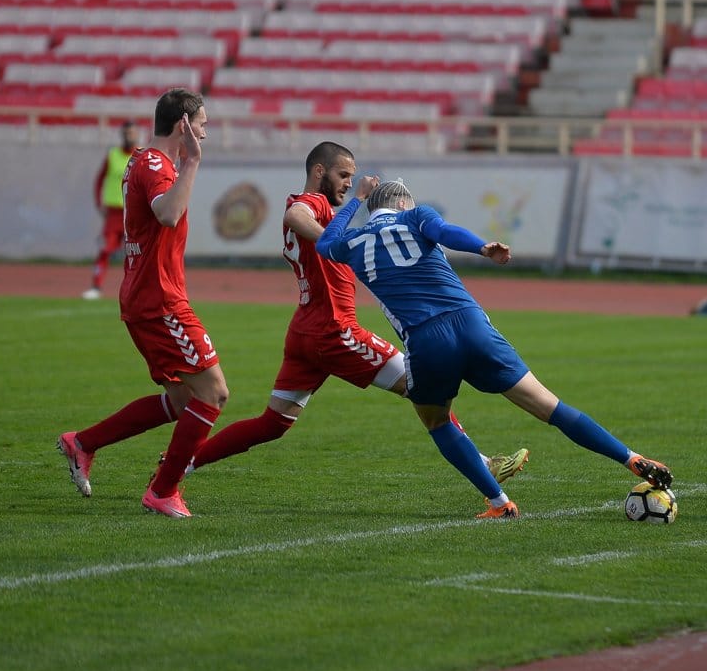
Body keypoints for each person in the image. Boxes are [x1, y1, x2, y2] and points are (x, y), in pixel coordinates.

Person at [315, 176, 673, 519]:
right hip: (471, 325)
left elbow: (324, 243)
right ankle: (630, 458)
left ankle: (500, 503)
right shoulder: (417, 215)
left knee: (438, 422)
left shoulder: (355, 240)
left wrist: (356, 201)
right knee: (550, 405)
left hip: (426, 340)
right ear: (403, 202)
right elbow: (444, 232)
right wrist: (481, 247)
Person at [188, 142, 528, 486]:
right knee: (424, 386)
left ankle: (182, 463)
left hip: (306, 331)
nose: (350, 182)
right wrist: (342, 242)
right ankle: (485, 465)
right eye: (343, 174)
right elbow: (295, 214)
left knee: (273, 423)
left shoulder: (322, 210)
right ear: (319, 172)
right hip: (336, 332)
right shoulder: (315, 203)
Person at [57, 89, 227, 518]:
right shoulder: (155, 163)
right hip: (159, 299)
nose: (206, 132)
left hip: (149, 295)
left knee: (183, 402)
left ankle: (83, 443)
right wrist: (192, 162)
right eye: (202, 123)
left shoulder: (146, 161)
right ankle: (163, 490)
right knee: (213, 393)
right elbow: (168, 213)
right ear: (183, 125)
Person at [83, 119, 142, 301]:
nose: (128, 136)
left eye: (131, 133)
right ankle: (96, 286)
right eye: (126, 133)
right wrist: (98, 202)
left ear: (137, 134)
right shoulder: (113, 155)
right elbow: (100, 180)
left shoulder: (141, 156)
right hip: (114, 214)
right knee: (105, 249)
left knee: (137, 254)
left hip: (133, 214)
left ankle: (139, 291)